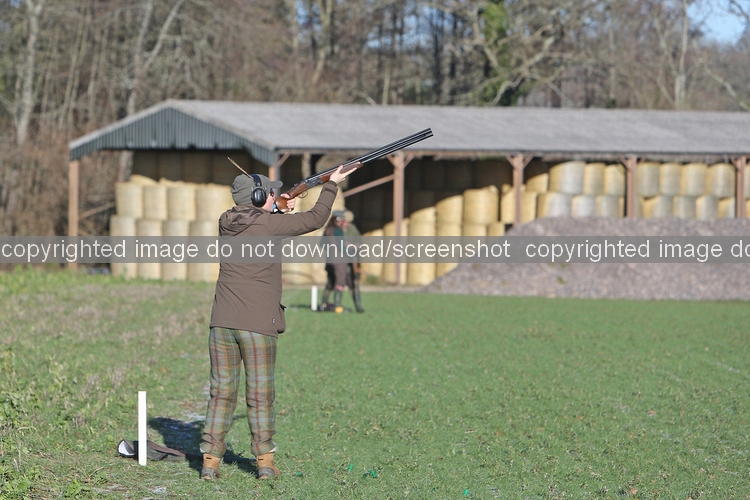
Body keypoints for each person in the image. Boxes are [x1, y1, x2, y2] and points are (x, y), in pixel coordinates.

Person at [200, 164, 357, 481]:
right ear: (259, 197)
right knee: (260, 397)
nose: (274, 195)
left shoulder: (226, 222)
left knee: (221, 394)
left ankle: (210, 463)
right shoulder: (270, 224)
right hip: (257, 324)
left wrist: (280, 207)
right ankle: (265, 464)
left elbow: (257, 219)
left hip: (222, 322)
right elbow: (316, 219)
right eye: (270, 192)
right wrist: (331, 184)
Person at [320, 209, 364, 313]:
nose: (343, 222)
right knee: (337, 283)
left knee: (350, 283)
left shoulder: (330, 229)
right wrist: (348, 250)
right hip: (341, 261)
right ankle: (337, 306)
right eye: (341, 220)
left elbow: (359, 241)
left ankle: (357, 306)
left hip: (338, 261)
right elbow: (340, 246)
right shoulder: (337, 230)